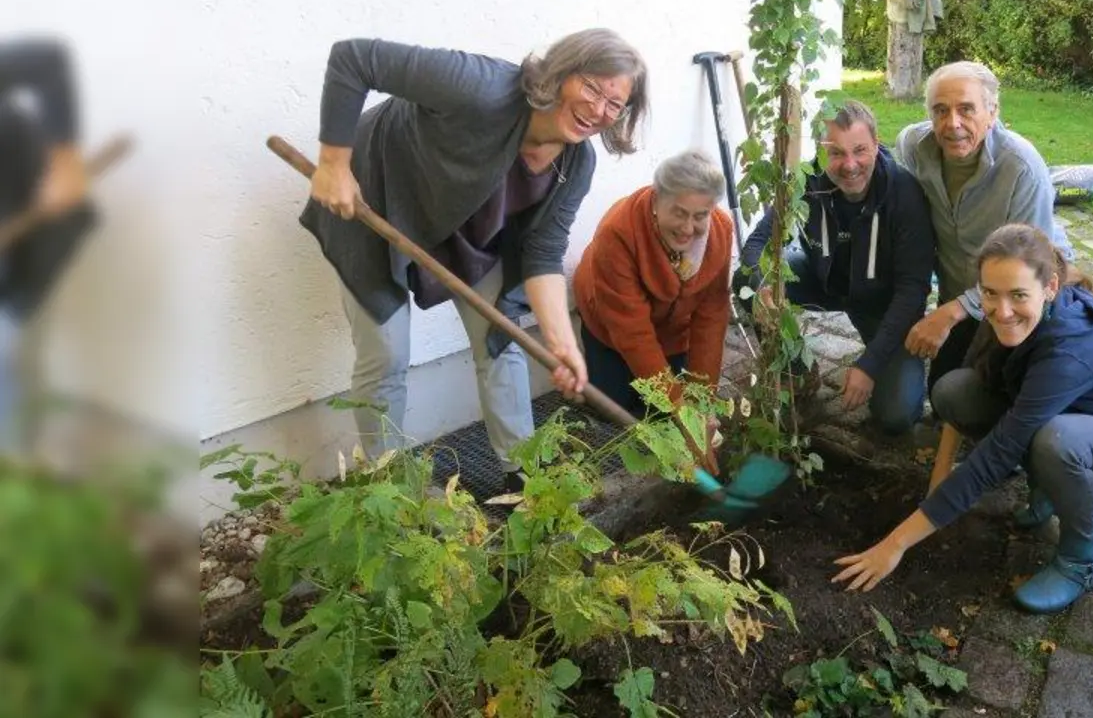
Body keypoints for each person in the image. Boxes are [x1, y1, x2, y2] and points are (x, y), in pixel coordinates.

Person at [301, 30, 648, 486]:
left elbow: (541, 254)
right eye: (591, 87)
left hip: (468, 229)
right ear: (561, 72)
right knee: (386, 352)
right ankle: (390, 485)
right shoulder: (484, 88)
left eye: (615, 103)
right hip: (374, 203)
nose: (598, 109)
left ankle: (524, 473)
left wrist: (562, 343)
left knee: (502, 338)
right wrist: (333, 165)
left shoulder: (575, 165)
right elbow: (353, 58)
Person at [832, 224, 1093, 614]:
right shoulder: (1001, 315)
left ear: (1049, 287)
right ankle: (1048, 486)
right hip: (1071, 415)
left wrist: (894, 544)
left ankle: (1081, 559)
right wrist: (938, 478)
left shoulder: (1070, 350)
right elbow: (970, 389)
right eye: (990, 294)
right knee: (955, 391)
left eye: (1018, 295)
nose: (1003, 310)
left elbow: (999, 452)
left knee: (1057, 440)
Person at [739, 100, 934, 435]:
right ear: (819, 152)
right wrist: (761, 287)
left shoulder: (904, 193)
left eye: (860, 150)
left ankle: (885, 361)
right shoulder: (805, 182)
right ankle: (797, 369)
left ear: (876, 144)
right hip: (825, 282)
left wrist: (869, 365)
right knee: (745, 284)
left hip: (883, 304)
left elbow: (912, 291)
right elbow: (757, 245)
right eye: (836, 153)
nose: (850, 165)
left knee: (896, 415)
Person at [896, 61, 1073, 391]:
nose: (953, 124)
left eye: (966, 109)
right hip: (960, 292)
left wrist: (950, 313)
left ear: (992, 112)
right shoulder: (913, 148)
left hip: (1020, 296)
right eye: (940, 110)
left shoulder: (1022, 168)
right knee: (943, 390)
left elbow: (1035, 263)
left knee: (1009, 389)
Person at [573, 150, 734, 414]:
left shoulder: (721, 231)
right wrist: (677, 405)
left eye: (700, 216)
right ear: (657, 201)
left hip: (671, 328)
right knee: (614, 410)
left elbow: (712, 316)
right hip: (610, 321)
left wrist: (702, 401)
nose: (687, 228)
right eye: (679, 213)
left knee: (662, 411)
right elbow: (631, 330)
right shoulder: (618, 232)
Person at [0, 39, 94, 454]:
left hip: (22, 230)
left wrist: (64, 162)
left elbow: (48, 61)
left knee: (6, 358)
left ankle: (14, 475)